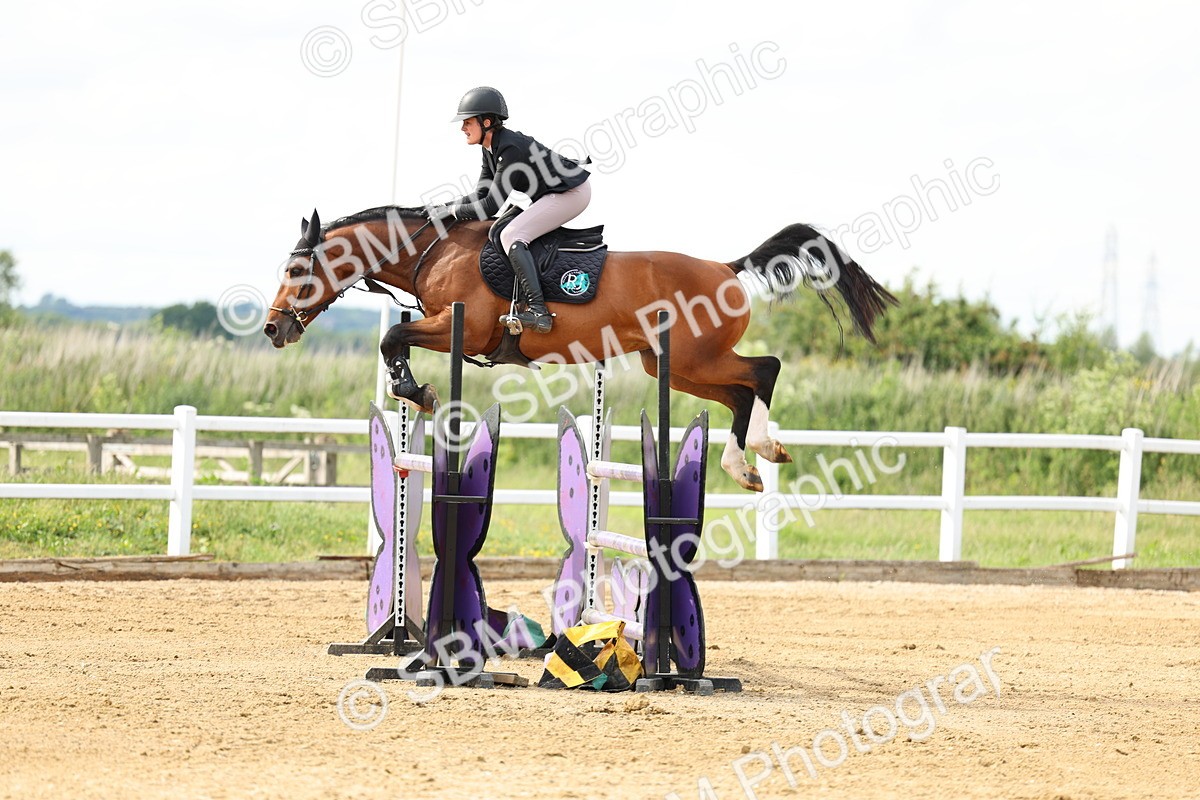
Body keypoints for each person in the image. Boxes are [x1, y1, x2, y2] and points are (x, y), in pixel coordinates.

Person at [429, 86, 590, 333]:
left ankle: (539, 312)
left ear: (487, 121)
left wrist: (451, 213)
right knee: (503, 230)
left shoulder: (510, 147)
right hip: (551, 194)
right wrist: (446, 206)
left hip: (571, 194)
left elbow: (491, 206)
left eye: (468, 122)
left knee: (511, 234)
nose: (463, 128)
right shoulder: (490, 148)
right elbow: (481, 193)